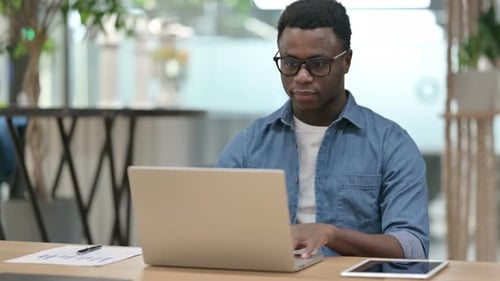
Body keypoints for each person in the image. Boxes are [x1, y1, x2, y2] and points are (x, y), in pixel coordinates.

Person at [216, 0, 429, 260]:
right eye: (290, 63)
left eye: (317, 64)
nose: (302, 76)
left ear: (346, 61)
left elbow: (412, 247)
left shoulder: (391, 144)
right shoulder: (250, 144)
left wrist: (333, 235)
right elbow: (216, 230)